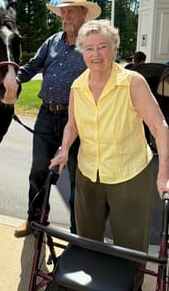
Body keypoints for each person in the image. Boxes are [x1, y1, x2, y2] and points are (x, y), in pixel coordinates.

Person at [49, 19, 169, 290]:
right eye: (89, 48)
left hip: (130, 174)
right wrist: (64, 150)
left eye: (102, 46)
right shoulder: (78, 85)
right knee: (88, 242)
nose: (96, 54)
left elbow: (160, 127)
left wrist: (163, 176)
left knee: (130, 247)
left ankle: (131, 286)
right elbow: (73, 124)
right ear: (82, 51)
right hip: (89, 174)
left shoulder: (131, 82)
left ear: (114, 49)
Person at [14, 0, 101, 237]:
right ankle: (35, 220)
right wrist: (14, 79)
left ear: (84, 14)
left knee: (77, 176)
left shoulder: (92, 44)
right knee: (38, 170)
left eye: (71, 11)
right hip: (46, 116)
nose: (66, 17)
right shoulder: (52, 41)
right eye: (63, 12)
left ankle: (78, 230)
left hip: (78, 120)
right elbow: (32, 66)